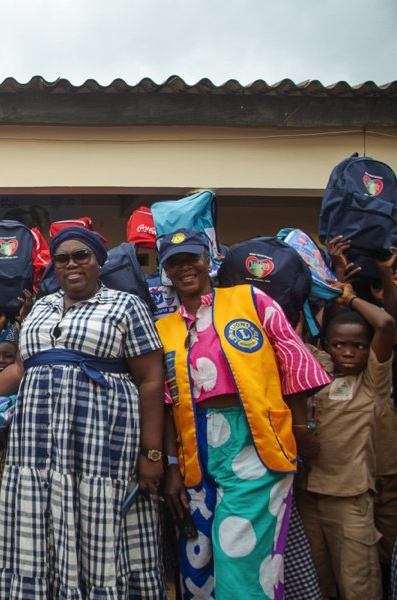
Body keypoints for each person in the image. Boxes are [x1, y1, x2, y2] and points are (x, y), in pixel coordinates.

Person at [0, 226, 167, 598]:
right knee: (38, 528)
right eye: (62, 259)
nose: (72, 265)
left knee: (100, 526)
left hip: (102, 447)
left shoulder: (126, 306)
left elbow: (150, 380)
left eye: (82, 256)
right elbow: (20, 368)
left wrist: (152, 453)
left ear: (99, 261)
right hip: (36, 449)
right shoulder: (42, 307)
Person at [156, 229, 330, 600]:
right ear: (165, 271)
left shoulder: (250, 299)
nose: (185, 267)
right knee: (196, 559)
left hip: (254, 438)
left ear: (209, 261)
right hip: (194, 449)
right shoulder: (163, 328)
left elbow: (291, 362)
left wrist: (301, 428)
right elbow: (166, 407)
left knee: (240, 555)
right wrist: (171, 466)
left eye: (192, 258)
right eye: (175, 262)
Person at [297, 281, 394, 599]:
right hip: (308, 499)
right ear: (326, 345)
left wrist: (350, 298)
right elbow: (295, 338)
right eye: (339, 345)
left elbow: (386, 323)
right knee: (316, 584)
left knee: (358, 585)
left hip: (349, 500)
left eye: (359, 346)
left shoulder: (371, 384)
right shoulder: (317, 371)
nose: (349, 352)